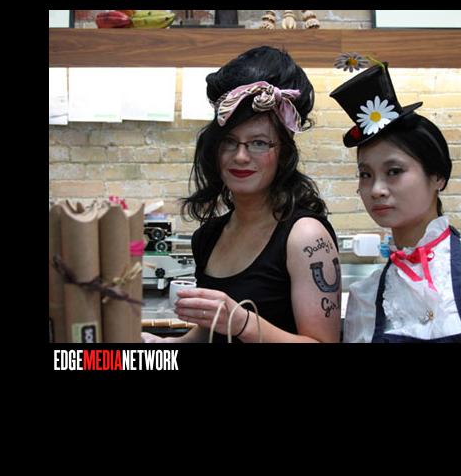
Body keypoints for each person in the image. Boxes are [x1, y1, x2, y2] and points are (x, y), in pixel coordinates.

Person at [329, 61, 461, 343]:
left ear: (438, 176)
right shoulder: (365, 297)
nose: (376, 189)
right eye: (365, 174)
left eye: (394, 171)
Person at [142, 46, 341, 343]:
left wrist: (243, 322)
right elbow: (214, 330)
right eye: (229, 142)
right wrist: (166, 344)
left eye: (259, 143)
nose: (240, 157)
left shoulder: (306, 237)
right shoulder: (209, 235)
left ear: (284, 153)